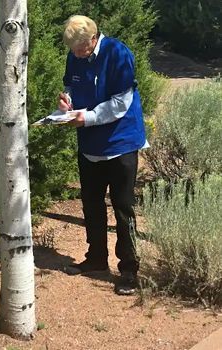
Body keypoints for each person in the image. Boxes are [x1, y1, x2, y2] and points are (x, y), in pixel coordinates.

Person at [58, 15, 147, 295]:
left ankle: (129, 270)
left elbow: (122, 102)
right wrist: (67, 102)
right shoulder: (75, 55)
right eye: (73, 49)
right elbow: (72, 86)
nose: (77, 53)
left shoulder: (118, 53)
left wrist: (87, 118)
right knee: (92, 203)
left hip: (121, 141)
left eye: (82, 48)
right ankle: (96, 257)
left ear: (93, 38)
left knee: (122, 207)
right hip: (90, 145)